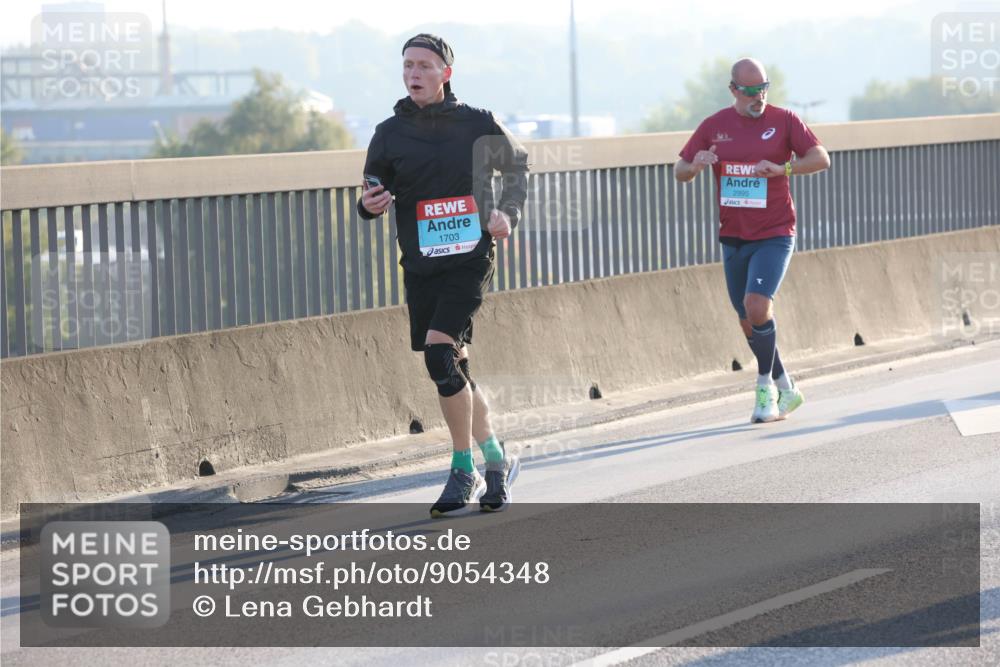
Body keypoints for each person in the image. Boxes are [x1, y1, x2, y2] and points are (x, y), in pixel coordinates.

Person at [357, 34, 529, 516]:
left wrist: (508, 214)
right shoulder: (388, 133)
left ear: (445, 74)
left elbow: (518, 168)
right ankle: (496, 460)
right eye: (408, 65)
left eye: (425, 65)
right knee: (456, 365)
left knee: (437, 354)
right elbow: (372, 189)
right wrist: (368, 204)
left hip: (471, 256)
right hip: (420, 263)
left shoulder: (477, 123)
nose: (414, 73)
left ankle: (462, 468)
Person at [675, 57, 831, 423]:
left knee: (757, 304)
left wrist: (784, 168)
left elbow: (821, 158)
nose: (758, 96)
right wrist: (695, 165)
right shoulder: (714, 126)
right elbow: (679, 170)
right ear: (734, 90)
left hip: (775, 232)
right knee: (747, 318)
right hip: (733, 236)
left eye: (763, 88)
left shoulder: (784, 120)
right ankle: (786, 386)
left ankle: (765, 390)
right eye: (749, 90)